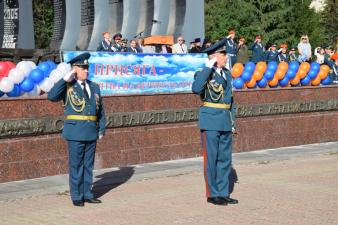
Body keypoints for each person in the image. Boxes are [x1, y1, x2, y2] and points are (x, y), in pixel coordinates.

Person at [48, 52, 106, 207]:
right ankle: (76, 195)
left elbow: (100, 110)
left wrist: (101, 128)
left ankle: (87, 194)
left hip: (91, 131)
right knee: (76, 165)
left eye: (87, 67)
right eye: (82, 68)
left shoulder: (94, 86)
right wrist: (65, 79)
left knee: (88, 165)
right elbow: (52, 97)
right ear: (74, 69)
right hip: (75, 132)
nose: (86, 70)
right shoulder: (68, 86)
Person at [192, 39, 238, 206]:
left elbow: (231, 101)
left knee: (225, 159)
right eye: (223, 55)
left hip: (225, 120)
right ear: (214, 56)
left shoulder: (227, 73)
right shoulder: (203, 73)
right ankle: (212, 194)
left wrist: (233, 122)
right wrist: (208, 66)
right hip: (210, 120)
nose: (226, 58)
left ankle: (223, 192)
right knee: (211, 159)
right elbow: (196, 89)